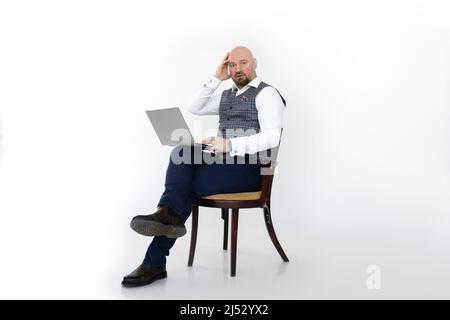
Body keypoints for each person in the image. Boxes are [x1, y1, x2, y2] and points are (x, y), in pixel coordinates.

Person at [121, 46, 286, 287]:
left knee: (187, 187)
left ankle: (155, 259)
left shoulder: (267, 94)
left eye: (243, 63)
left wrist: (229, 144)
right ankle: (167, 214)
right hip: (221, 161)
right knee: (182, 151)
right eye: (232, 65)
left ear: (254, 63)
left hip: (250, 169)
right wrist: (216, 79)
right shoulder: (227, 94)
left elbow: (271, 138)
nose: (237, 69)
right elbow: (195, 107)